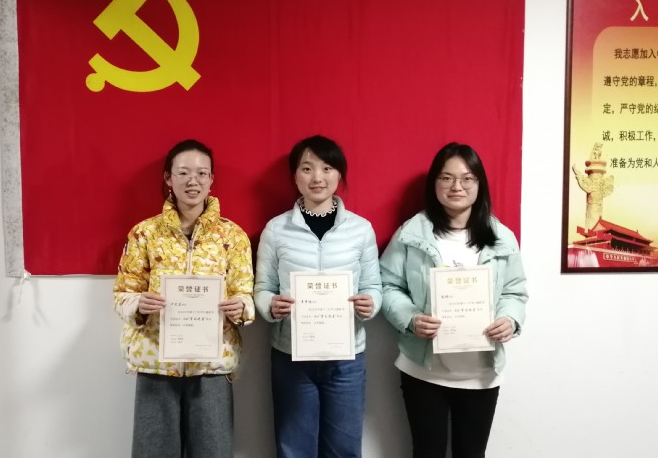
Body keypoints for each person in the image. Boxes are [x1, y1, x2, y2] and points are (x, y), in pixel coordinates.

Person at [379, 142, 528, 458]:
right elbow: (387, 285)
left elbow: (514, 292)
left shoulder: (502, 237)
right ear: (434, 184)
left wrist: (509, 319)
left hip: (481, 373)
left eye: (467, 178)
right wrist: (410, 318)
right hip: (423, 369)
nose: (456, 186)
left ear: (479, 184)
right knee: (426, 452)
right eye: (446, 178)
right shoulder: (411, 234)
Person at [113, 139, 254, 458]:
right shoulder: (145, 233)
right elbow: (123, 294)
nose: (193, 181)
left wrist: (241, 307)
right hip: (156, 362)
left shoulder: (232, 236)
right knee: (153, 452)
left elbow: (243, 292)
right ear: (168, 178)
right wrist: (138, 304)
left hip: (212, 364)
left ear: (211, 179)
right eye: (184, 173)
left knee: (214, 451)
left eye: (202, 173)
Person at [254, 135, 382, 458]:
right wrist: (270, 306)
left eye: (327, 168)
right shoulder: (276, 229)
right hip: (291, 356)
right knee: (294, 449)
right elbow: (263, 287)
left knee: (343, 449)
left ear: (339, 174)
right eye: (307, 168)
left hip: (347, 358)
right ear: (295, 176)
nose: (317, 178)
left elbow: (373, 286)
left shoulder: (360, 229)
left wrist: (370, 304)